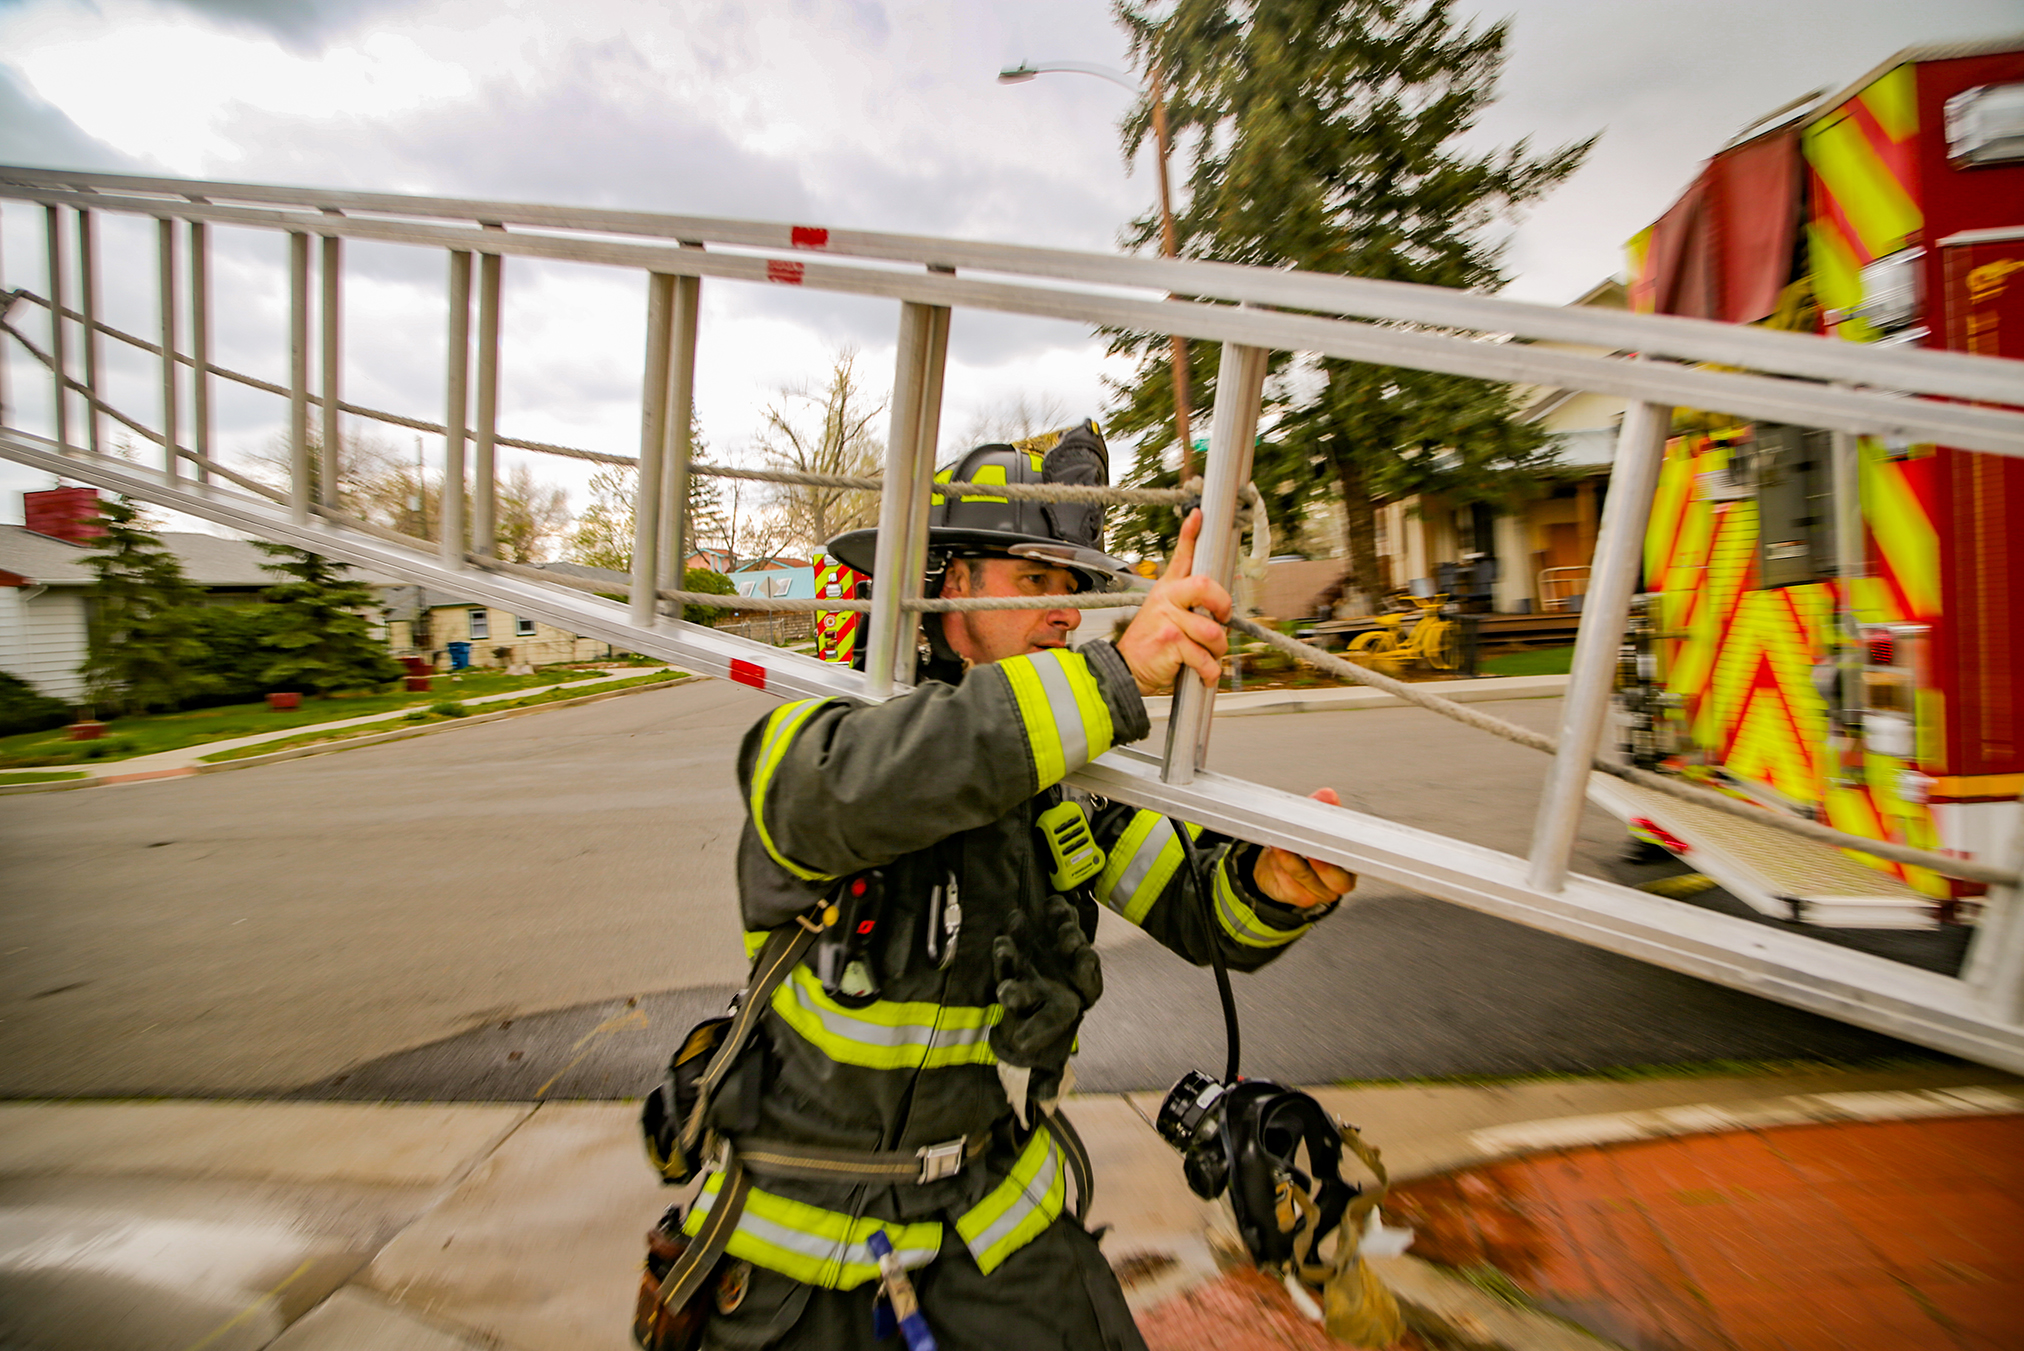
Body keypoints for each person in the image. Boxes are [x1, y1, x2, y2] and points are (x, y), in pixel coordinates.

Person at [690, 423, 1355, 1350]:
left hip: (992, 1212)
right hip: (795, 1257)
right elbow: (870, 785)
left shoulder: (1059, 782)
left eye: (1071, 590)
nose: (1066, 614)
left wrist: (1275, 882)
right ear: (948, 582)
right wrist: (1114, 674)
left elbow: (1201, 909)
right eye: (1036, 582)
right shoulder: (816, 737)